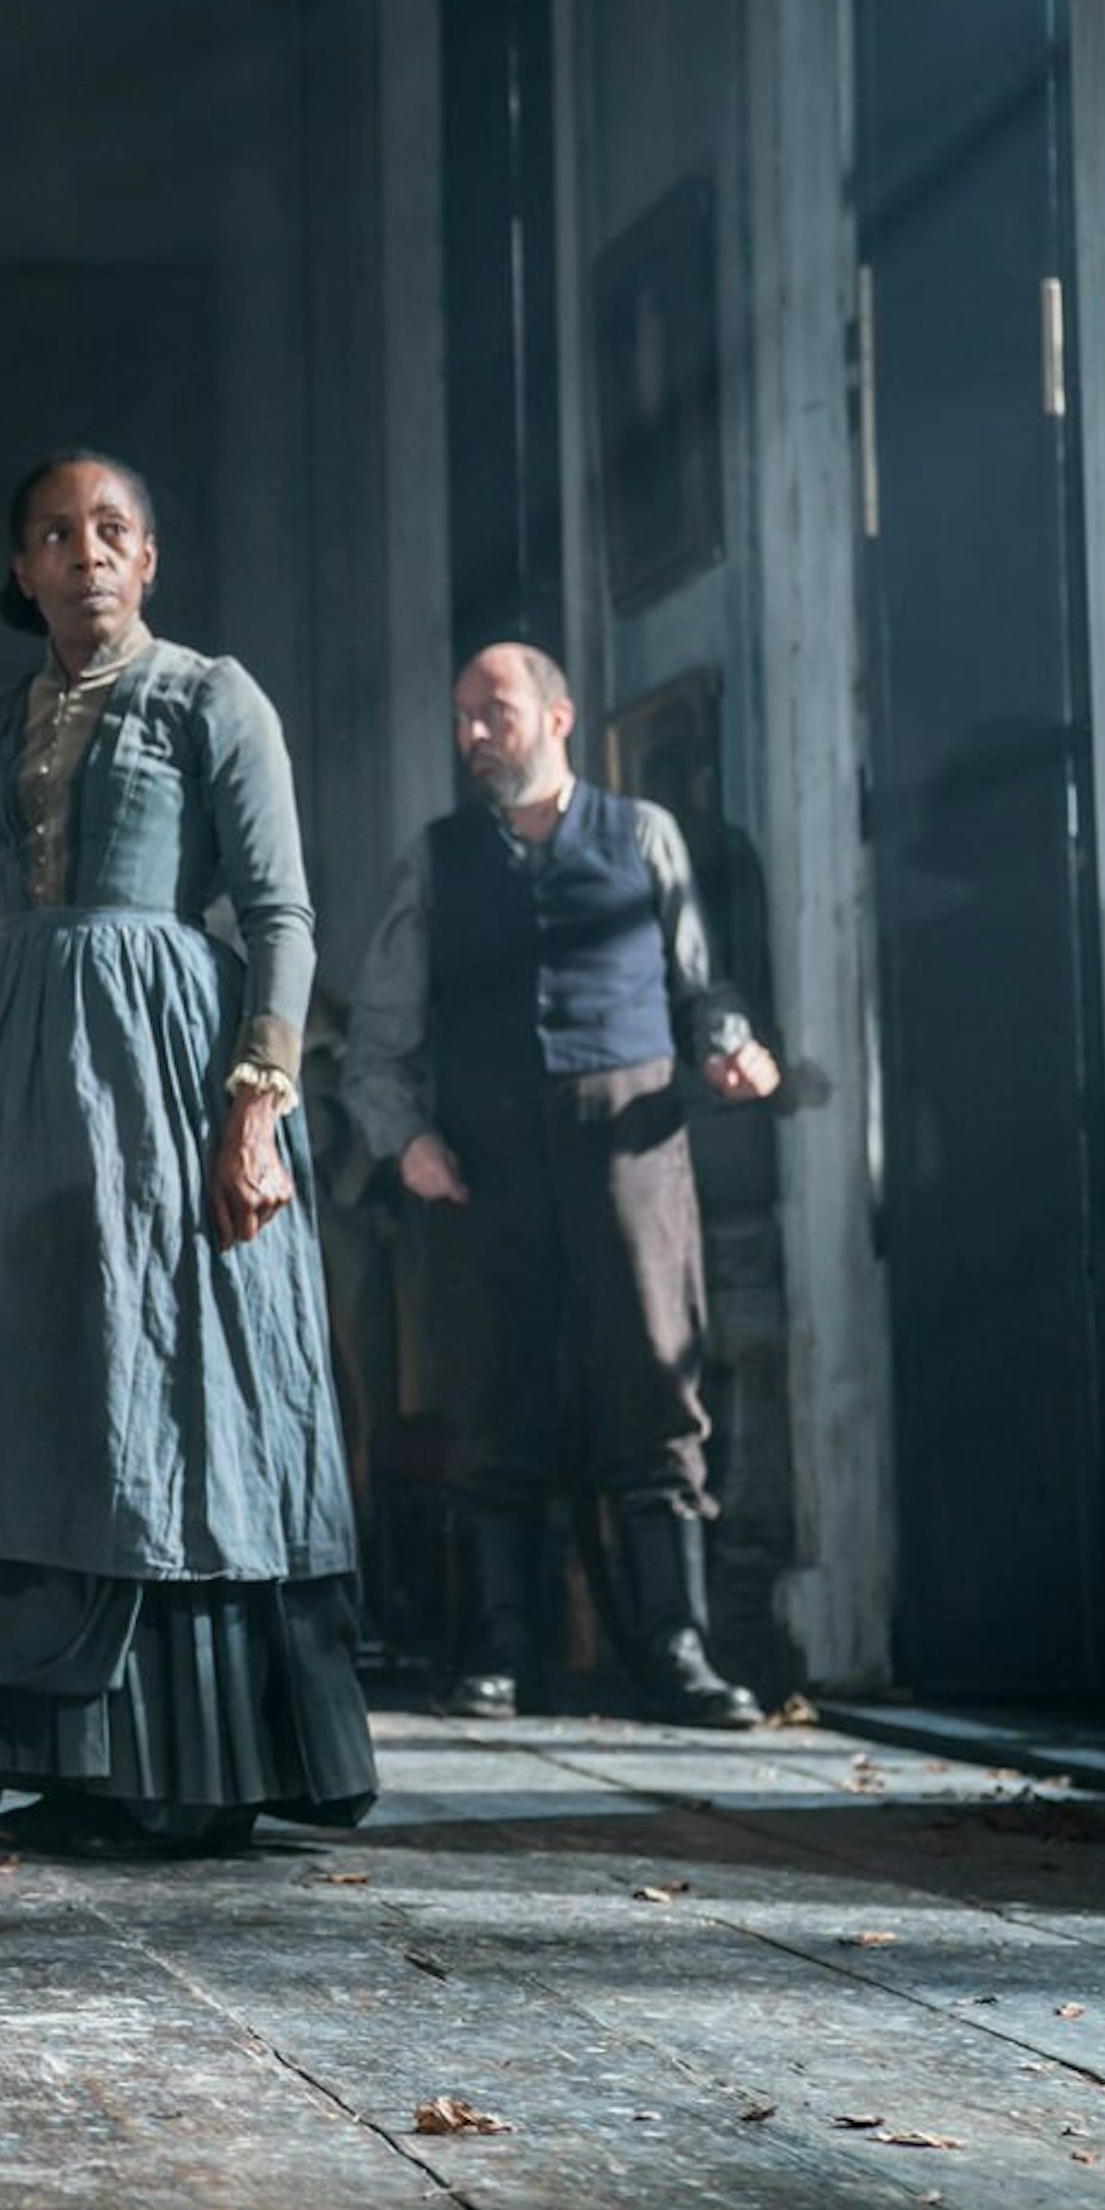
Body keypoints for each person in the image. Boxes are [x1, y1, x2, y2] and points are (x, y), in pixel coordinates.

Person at [0, 449, 375, 1861]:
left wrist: (255, 1106)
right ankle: (71, 1762)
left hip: (168, 1076)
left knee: (170, 1382)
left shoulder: (214, 698)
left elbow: (280, 914)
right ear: (23, 570)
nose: (85, 551)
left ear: (148, 556)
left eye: (111, 529)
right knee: (44, 1390)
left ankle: (194, 1762)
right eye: (54, 532)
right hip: (25, 1080)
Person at [341, 641, 782, 1730]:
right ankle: (502, 1646)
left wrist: (728, 1041)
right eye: (460, 717)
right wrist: (407, 1143)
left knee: (653, 1385)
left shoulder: (641, 835)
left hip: (629, 1147)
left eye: (493, 711)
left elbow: (701, 987)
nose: (473, 735)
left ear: (558, 716)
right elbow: (380, 1036)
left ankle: (676, 1649)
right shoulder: (437, 858)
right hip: (485, 1162)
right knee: (494, 1395)